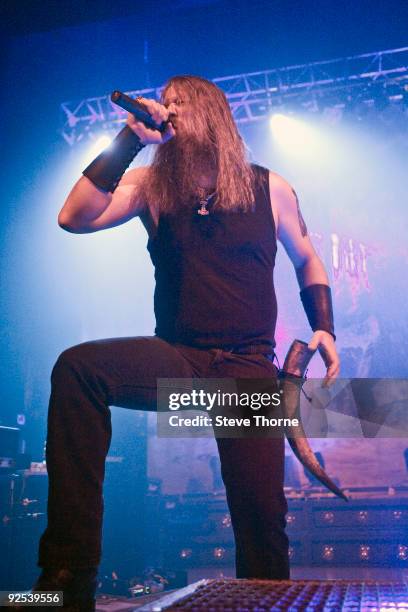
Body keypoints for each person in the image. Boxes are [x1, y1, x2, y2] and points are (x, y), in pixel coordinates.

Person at [35, 75, 339, 609]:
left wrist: (323, 325)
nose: (168, 110)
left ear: (211, 113)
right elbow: (72, 218)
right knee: (78, 369)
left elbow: (307, 256)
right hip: (179, 358)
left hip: (246, 369)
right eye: (164, 103)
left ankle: (267, 599)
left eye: (178, 103)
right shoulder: (152, 187)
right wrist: (129, 139)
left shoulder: (269, 186)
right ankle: (67, 577)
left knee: (261, 515)